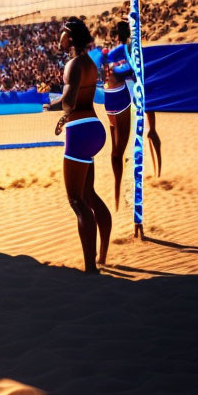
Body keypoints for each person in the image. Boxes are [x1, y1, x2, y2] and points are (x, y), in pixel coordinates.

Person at [43, 17, 111, 273]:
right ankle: (102, 254)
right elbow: (80, 101)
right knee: (89, 196)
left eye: (61, 33)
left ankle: (91, 267)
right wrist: (64, 116)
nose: (58, 38)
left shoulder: (72, 64)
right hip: (93, 127)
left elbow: (70, 102)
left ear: (69, 36)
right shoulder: (89, 63)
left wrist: (51, 106)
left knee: (76, 200)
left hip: (80, 134)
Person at [102, 21, 134, 210]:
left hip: (116, 99)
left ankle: (119, 194)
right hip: (116, 100)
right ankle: (119, 196)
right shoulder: (120, 51)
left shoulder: (121, 51)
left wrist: (115, 69)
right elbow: (122, 71)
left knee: (117, 153)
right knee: (116, 154)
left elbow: (124, 71)